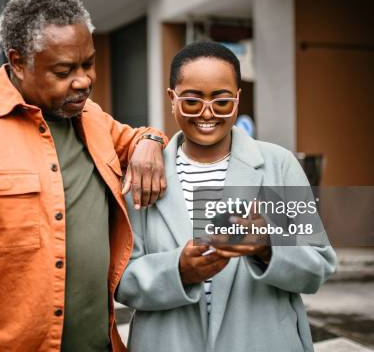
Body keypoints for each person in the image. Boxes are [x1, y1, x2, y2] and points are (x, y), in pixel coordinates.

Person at [0, 0, 168, 351]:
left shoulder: (92, 118)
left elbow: (139, 138)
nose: (83, 81)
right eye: (63, 70)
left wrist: (151, 142)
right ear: (17, 62)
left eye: (88, 64)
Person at [116, 41, 337, 351]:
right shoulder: (143, 175)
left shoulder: (279, 165)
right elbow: (121, 280)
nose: (207, 114)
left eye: (221, 102)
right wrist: (177, 269)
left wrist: (267, 248)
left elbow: (320, 265)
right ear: (172, 99)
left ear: (237, 99)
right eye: (192, 101)